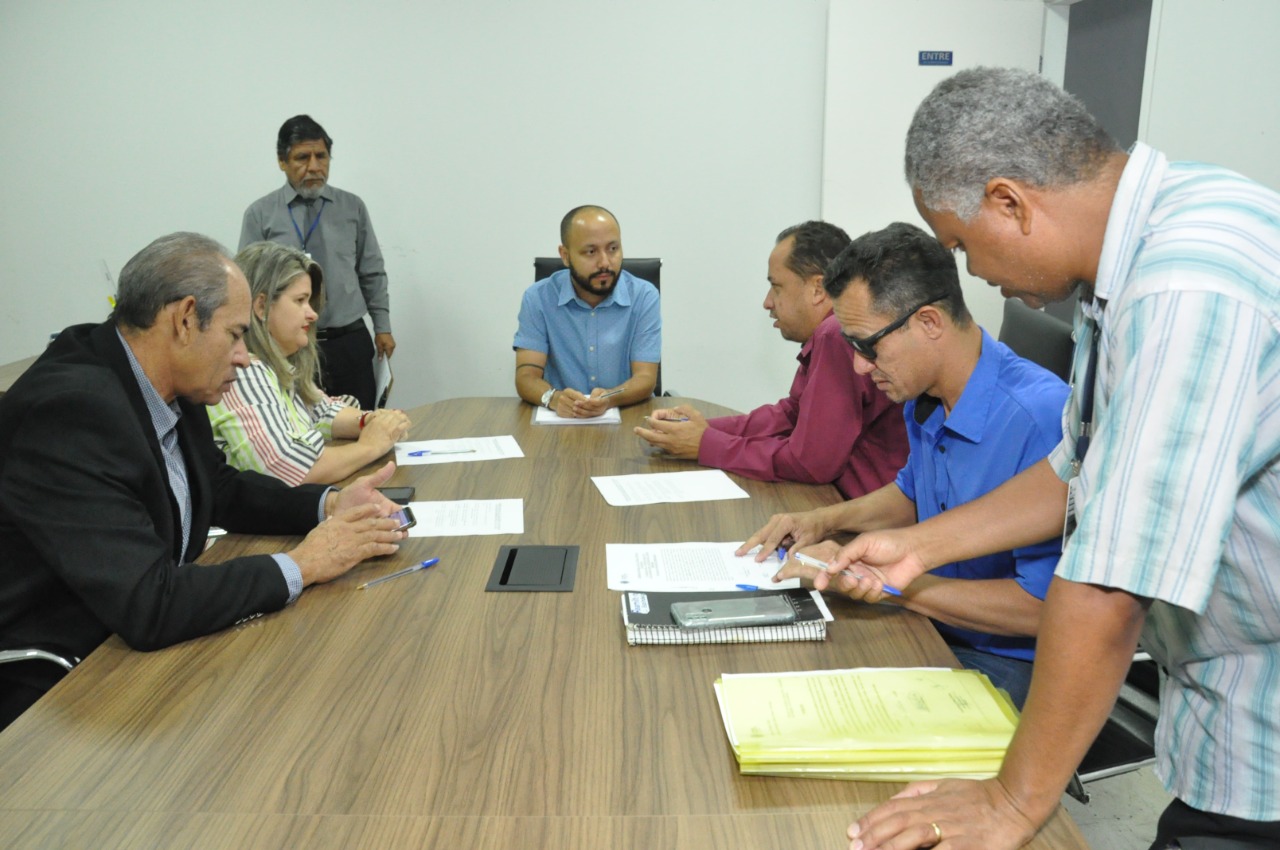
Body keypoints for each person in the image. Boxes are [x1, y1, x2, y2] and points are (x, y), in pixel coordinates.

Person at [822, 68, 1280, 850]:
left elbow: (1109, 579)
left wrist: (1010, 800)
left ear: (1010, 201)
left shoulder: (1185, 286)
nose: (975, 273)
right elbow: (1078, 466)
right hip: (1222, 713)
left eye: (964, 244)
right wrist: (919, 544)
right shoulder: (1144, 248)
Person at [0, 232, 406, 730]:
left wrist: (329, 504)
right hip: (56, 690)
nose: (244, 355)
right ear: (186, 319)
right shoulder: (73, 411)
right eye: (236, 334)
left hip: (129, 655)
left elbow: (222, 488)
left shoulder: (165, 379)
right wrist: (306, 562)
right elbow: (149, 602)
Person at [738, 222, 1067, 708]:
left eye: (868, 346)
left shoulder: (1040, 420)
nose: (859, 368)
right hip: (935, 621)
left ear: (929, 322)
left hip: (1010, 661)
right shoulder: (925, 392)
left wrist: (894, 587)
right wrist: (821, 520)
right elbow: (913, 493)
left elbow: (1045, 612)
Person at [634, 221, 908, 499]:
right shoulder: (831, 332)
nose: (767, 302)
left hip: (860, 517)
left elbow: (810, 464)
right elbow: (791, 414)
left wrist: (706, 444)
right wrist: (700, 429)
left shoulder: (834, 334)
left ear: (818, 288)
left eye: (776, 287)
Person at [208, 242, 411, 486]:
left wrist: (370, 422)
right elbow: (283, 470)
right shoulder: (244, 371)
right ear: (261, 306)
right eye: (300, 300)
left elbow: (321, 411)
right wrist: (370, 446)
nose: (313, 315)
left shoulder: (276, 365)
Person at [240, 115, 393, 410]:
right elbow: (249, 286)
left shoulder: (352, 207)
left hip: (348, 340)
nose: (314, 167)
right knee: (302, 428)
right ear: (282, 161)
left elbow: (371, 271)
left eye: (321, 156)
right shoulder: (260, 215)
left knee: (362, 423)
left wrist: (383, 326)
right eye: (302, 157)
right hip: (288, 346)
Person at [513, 205, 660, 419]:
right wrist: (553, 398)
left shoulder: (644, 296)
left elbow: (646, 378)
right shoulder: (538, 298)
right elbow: (526, 376)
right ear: (565, 255)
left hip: (627, 420)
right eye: (591, 252)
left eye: (613, 249)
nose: (605, 263)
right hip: (559, 422)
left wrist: (609, 398)